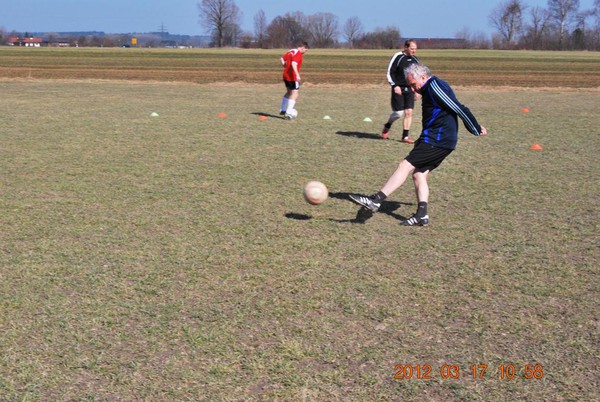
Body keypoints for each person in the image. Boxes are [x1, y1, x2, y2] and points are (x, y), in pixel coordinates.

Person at [350, 63, 488, 226]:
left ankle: (376, 200)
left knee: (404, 166)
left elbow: (458, 108)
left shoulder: (435, 86)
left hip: (438, 140)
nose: (413, 89)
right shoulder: (429, 88)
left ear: (423, 77)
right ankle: (421, 215)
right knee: (419, 174)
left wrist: (474, 127)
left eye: (414, 84)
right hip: (435, 139)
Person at [381, 39, 420, 142]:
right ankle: (387, 125)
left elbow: (418, 75)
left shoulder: (415, 59)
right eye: (412, 48)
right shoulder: (398, 57)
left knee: (409, 112)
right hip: (398, 88)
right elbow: (390, 72)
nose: (414, 51)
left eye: (415, 49)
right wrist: (395, 86)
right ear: (406, 47)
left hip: (410, 89)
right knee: (398, 113)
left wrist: (417, 90)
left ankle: (405, 137)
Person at [279, 41, 309, 118]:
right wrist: (297, 74)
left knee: (289, 92)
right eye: (305, 50)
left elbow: (281, 59)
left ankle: (282, 109)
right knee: (295, 94)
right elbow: (294, 64)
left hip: (286, 75)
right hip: (292, 77)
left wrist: (285, 66)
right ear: (303, 48)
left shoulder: (291, 51)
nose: (305, 52)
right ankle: (289, 112)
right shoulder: (298, 54)